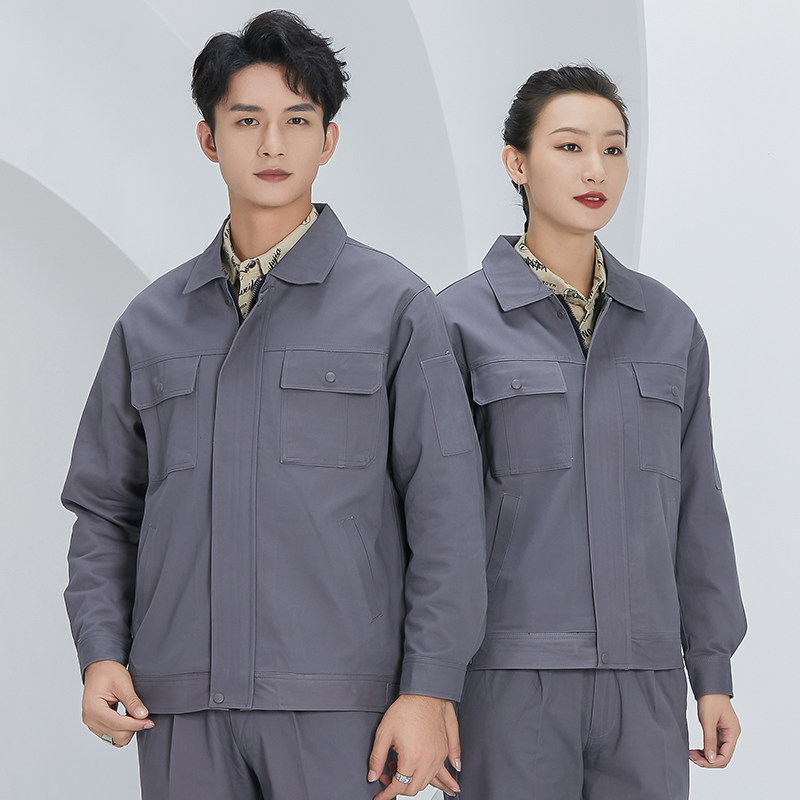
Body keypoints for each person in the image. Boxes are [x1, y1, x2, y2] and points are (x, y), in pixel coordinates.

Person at [62, 10, 485, 800]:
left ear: (328, 140)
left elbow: (448, 511)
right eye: (246, 120)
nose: (271, 145)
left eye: (297, 120)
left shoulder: (395, 308)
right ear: (208, 138)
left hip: (339, 706)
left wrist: (430, 687)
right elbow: (104, 513)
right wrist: (100, 652)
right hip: (179, 704)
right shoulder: (150, 324)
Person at [436, 65, 746, 799]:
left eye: (613, 148)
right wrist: (428, 686)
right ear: (516, 163)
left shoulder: (668, 325)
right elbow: (428, 524)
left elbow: (697, 509)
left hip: (645, 681)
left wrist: (711, 672)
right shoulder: (453, 323)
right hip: (508, 680)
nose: (596, 169)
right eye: (570, 146)